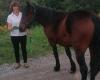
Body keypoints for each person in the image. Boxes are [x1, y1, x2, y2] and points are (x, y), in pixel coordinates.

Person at [7, 1, 29, 69]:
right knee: (16, 49)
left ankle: (25, 63)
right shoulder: (10, 16)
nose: (16, 8)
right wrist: (13, 28)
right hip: (14, 36)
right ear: (12, 8)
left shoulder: (22, 14)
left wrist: (27, 29)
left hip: (23, 35)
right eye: (14, 6)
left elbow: (25, 24)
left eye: (17, 6)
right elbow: (9, 28)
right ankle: (18, 63)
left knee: (24, 49)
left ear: (19, 7)